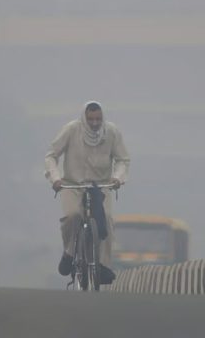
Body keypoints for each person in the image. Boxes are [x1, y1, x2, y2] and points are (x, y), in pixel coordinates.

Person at [45, 101, 130, 284]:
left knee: (106, 219)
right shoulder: (71, 130)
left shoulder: (111, 133)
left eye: (98, 119)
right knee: (73, 216)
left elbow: (122, 159)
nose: (94, 123)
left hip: (101, 187)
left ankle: (103, 265)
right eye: (90, 119)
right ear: (84, 118)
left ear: (102, 118)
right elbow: (51, 155)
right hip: (72, 185)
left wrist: (117, 178)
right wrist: (55, 178)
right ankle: (69, 252)